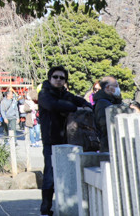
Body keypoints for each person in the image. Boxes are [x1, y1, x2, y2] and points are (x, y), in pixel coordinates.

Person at [38, 65, 90, 215]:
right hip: (50, 140)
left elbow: (81, 101)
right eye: (56, 77)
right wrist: (74, 108)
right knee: (50, 175)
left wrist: (86, 106)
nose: (59, 80)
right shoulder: (44, 94)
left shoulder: (66, 95)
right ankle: (45, 208)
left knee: (69, 175)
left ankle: (67, 205)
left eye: (62, 78)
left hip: (68, 141)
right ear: (50, 78)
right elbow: (53, 105)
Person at [91, 77, 121, 154]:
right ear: (107, 88)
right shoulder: (103, 103)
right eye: (116, 86)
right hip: (108, 145)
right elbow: (106, 126)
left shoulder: (111, 101)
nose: (118, 88)